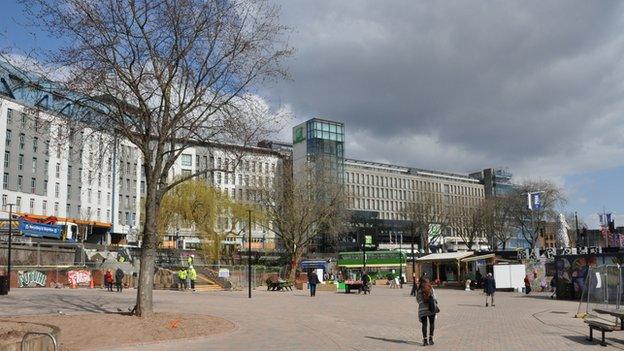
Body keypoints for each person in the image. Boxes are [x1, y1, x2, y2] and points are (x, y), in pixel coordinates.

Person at [416, 277, 437, 346]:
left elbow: (418, 300)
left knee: (424, 325)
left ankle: (425, 340)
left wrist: (422, 304)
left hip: (422, 310)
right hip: (431, 309)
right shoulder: (431, 289)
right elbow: (435, 299)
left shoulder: (419, 290)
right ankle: (431, 339)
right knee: (432, 324)